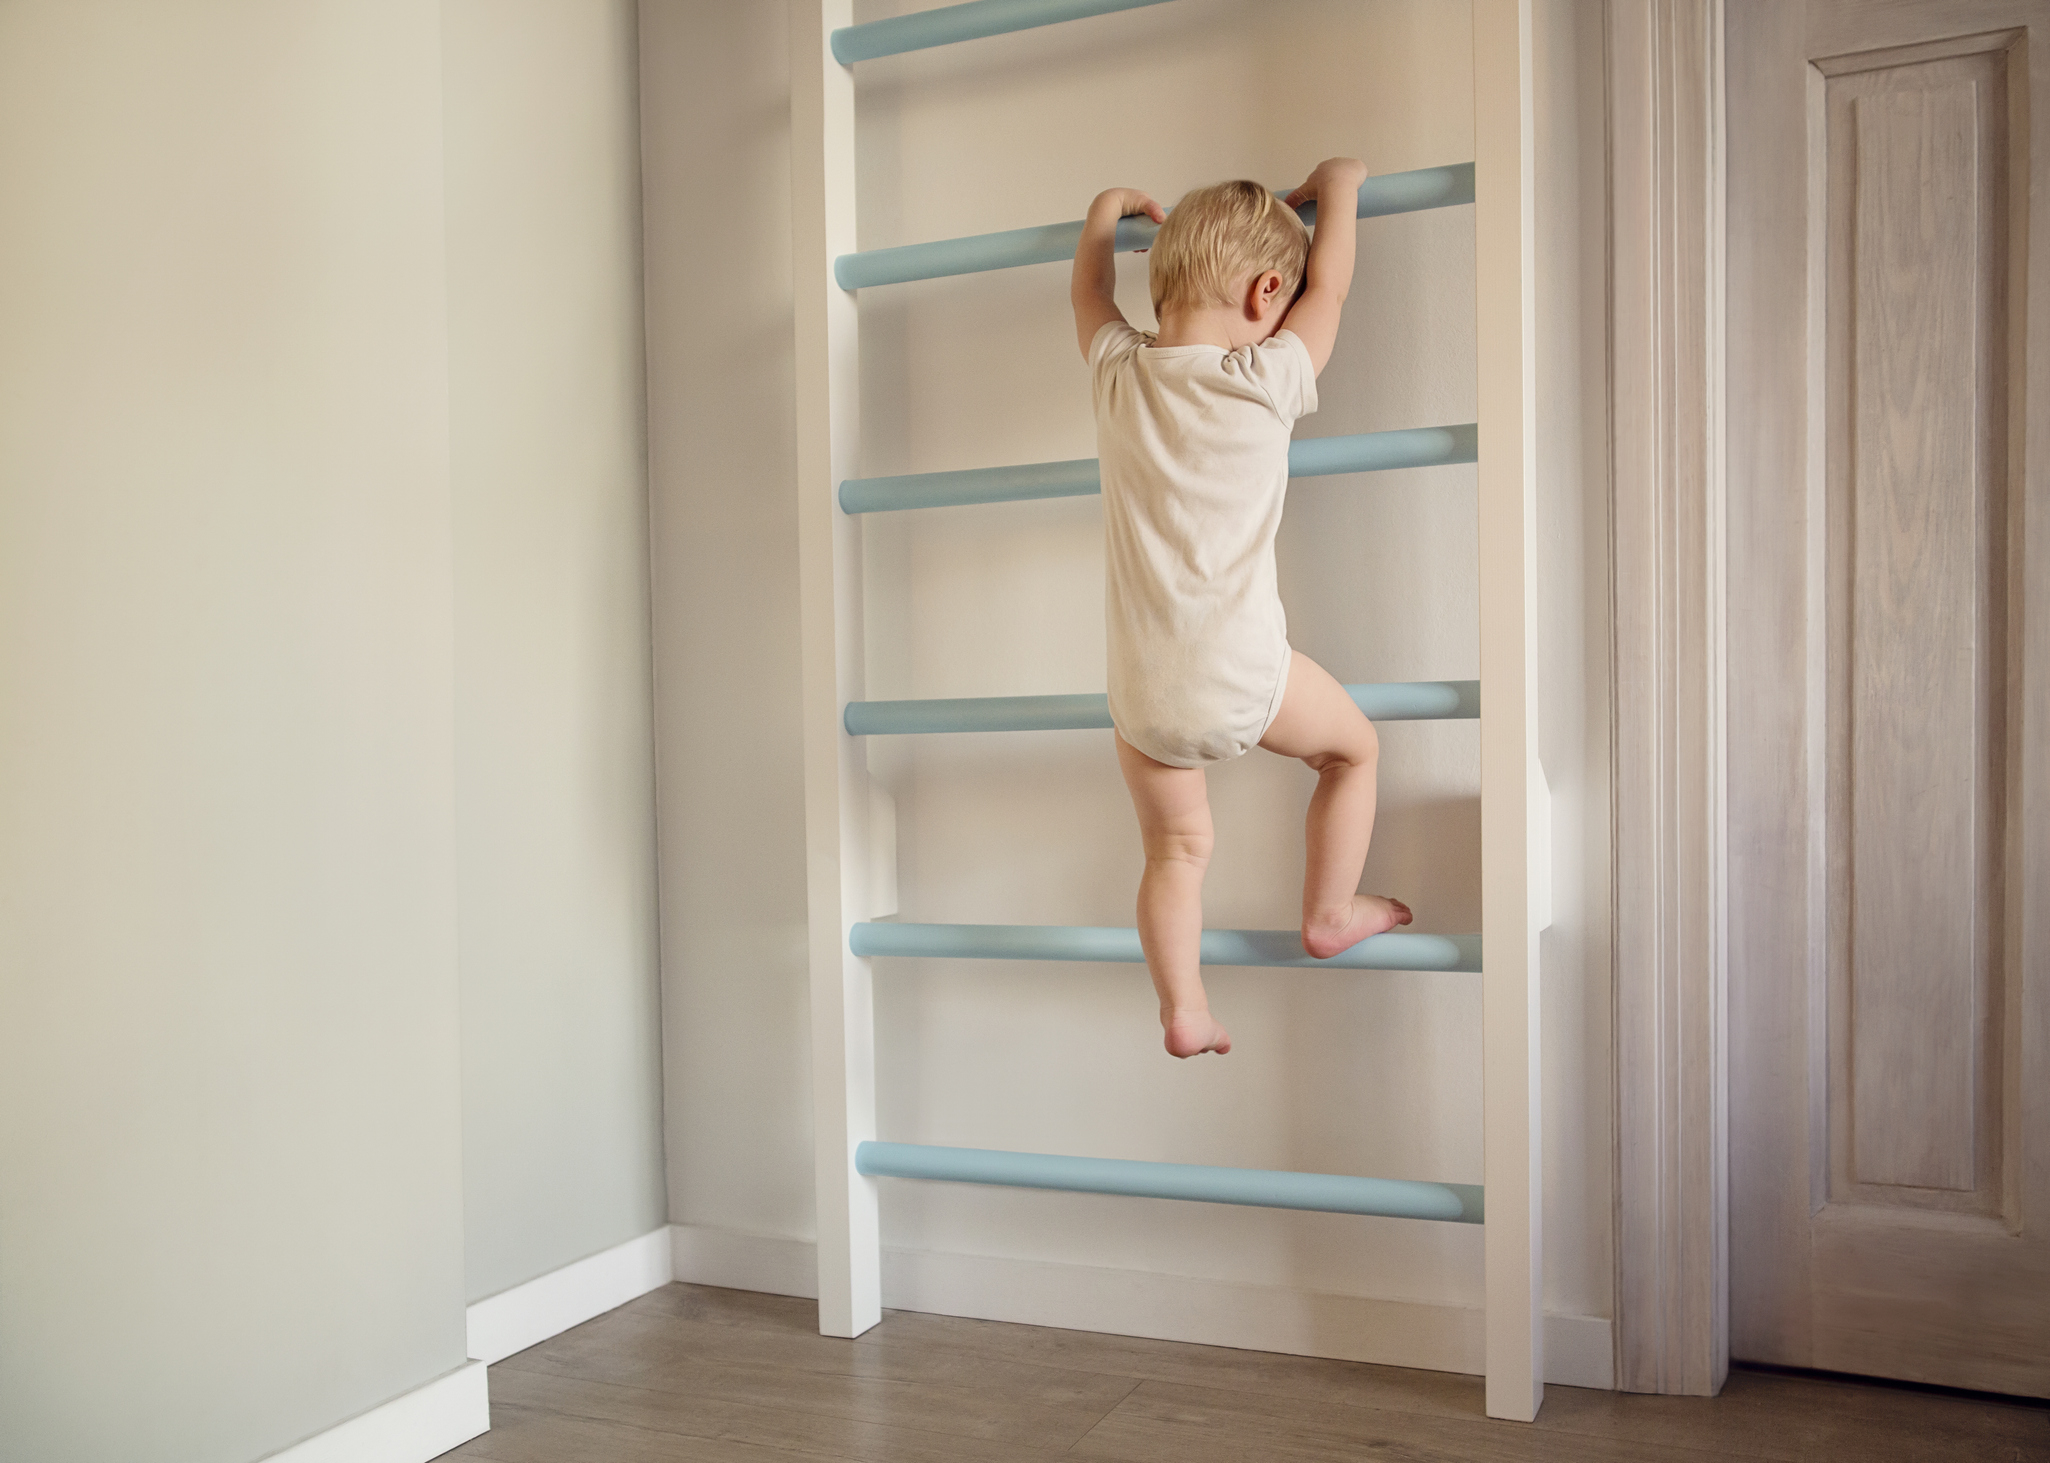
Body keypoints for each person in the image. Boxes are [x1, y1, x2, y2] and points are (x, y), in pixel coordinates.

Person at [1071, 159, 1411, 1059]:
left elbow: (1090, 297)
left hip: (1141, 698)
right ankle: (1330, 910)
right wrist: (1340, 188)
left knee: (1175, 853)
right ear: (1267, 294)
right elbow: (1331, 288)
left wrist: (1101, 217)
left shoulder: (1118, 373)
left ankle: (1183, 1007)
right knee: (1353, 752)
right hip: (1243, 675)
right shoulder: (1266, 378)